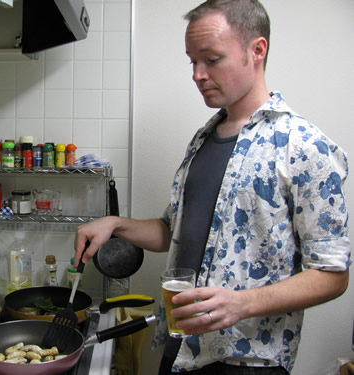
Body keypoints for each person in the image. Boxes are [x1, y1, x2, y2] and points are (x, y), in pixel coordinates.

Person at [74, 0, 351, 373]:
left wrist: (242, 303)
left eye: (211, 59)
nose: (197, 74)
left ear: (257, 50)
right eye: (192, 61)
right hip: (179, 352)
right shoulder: (203, 139)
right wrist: (116, 225)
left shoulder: (305, 146)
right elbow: (173, 233)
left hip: (247, 361)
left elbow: (332, 275)